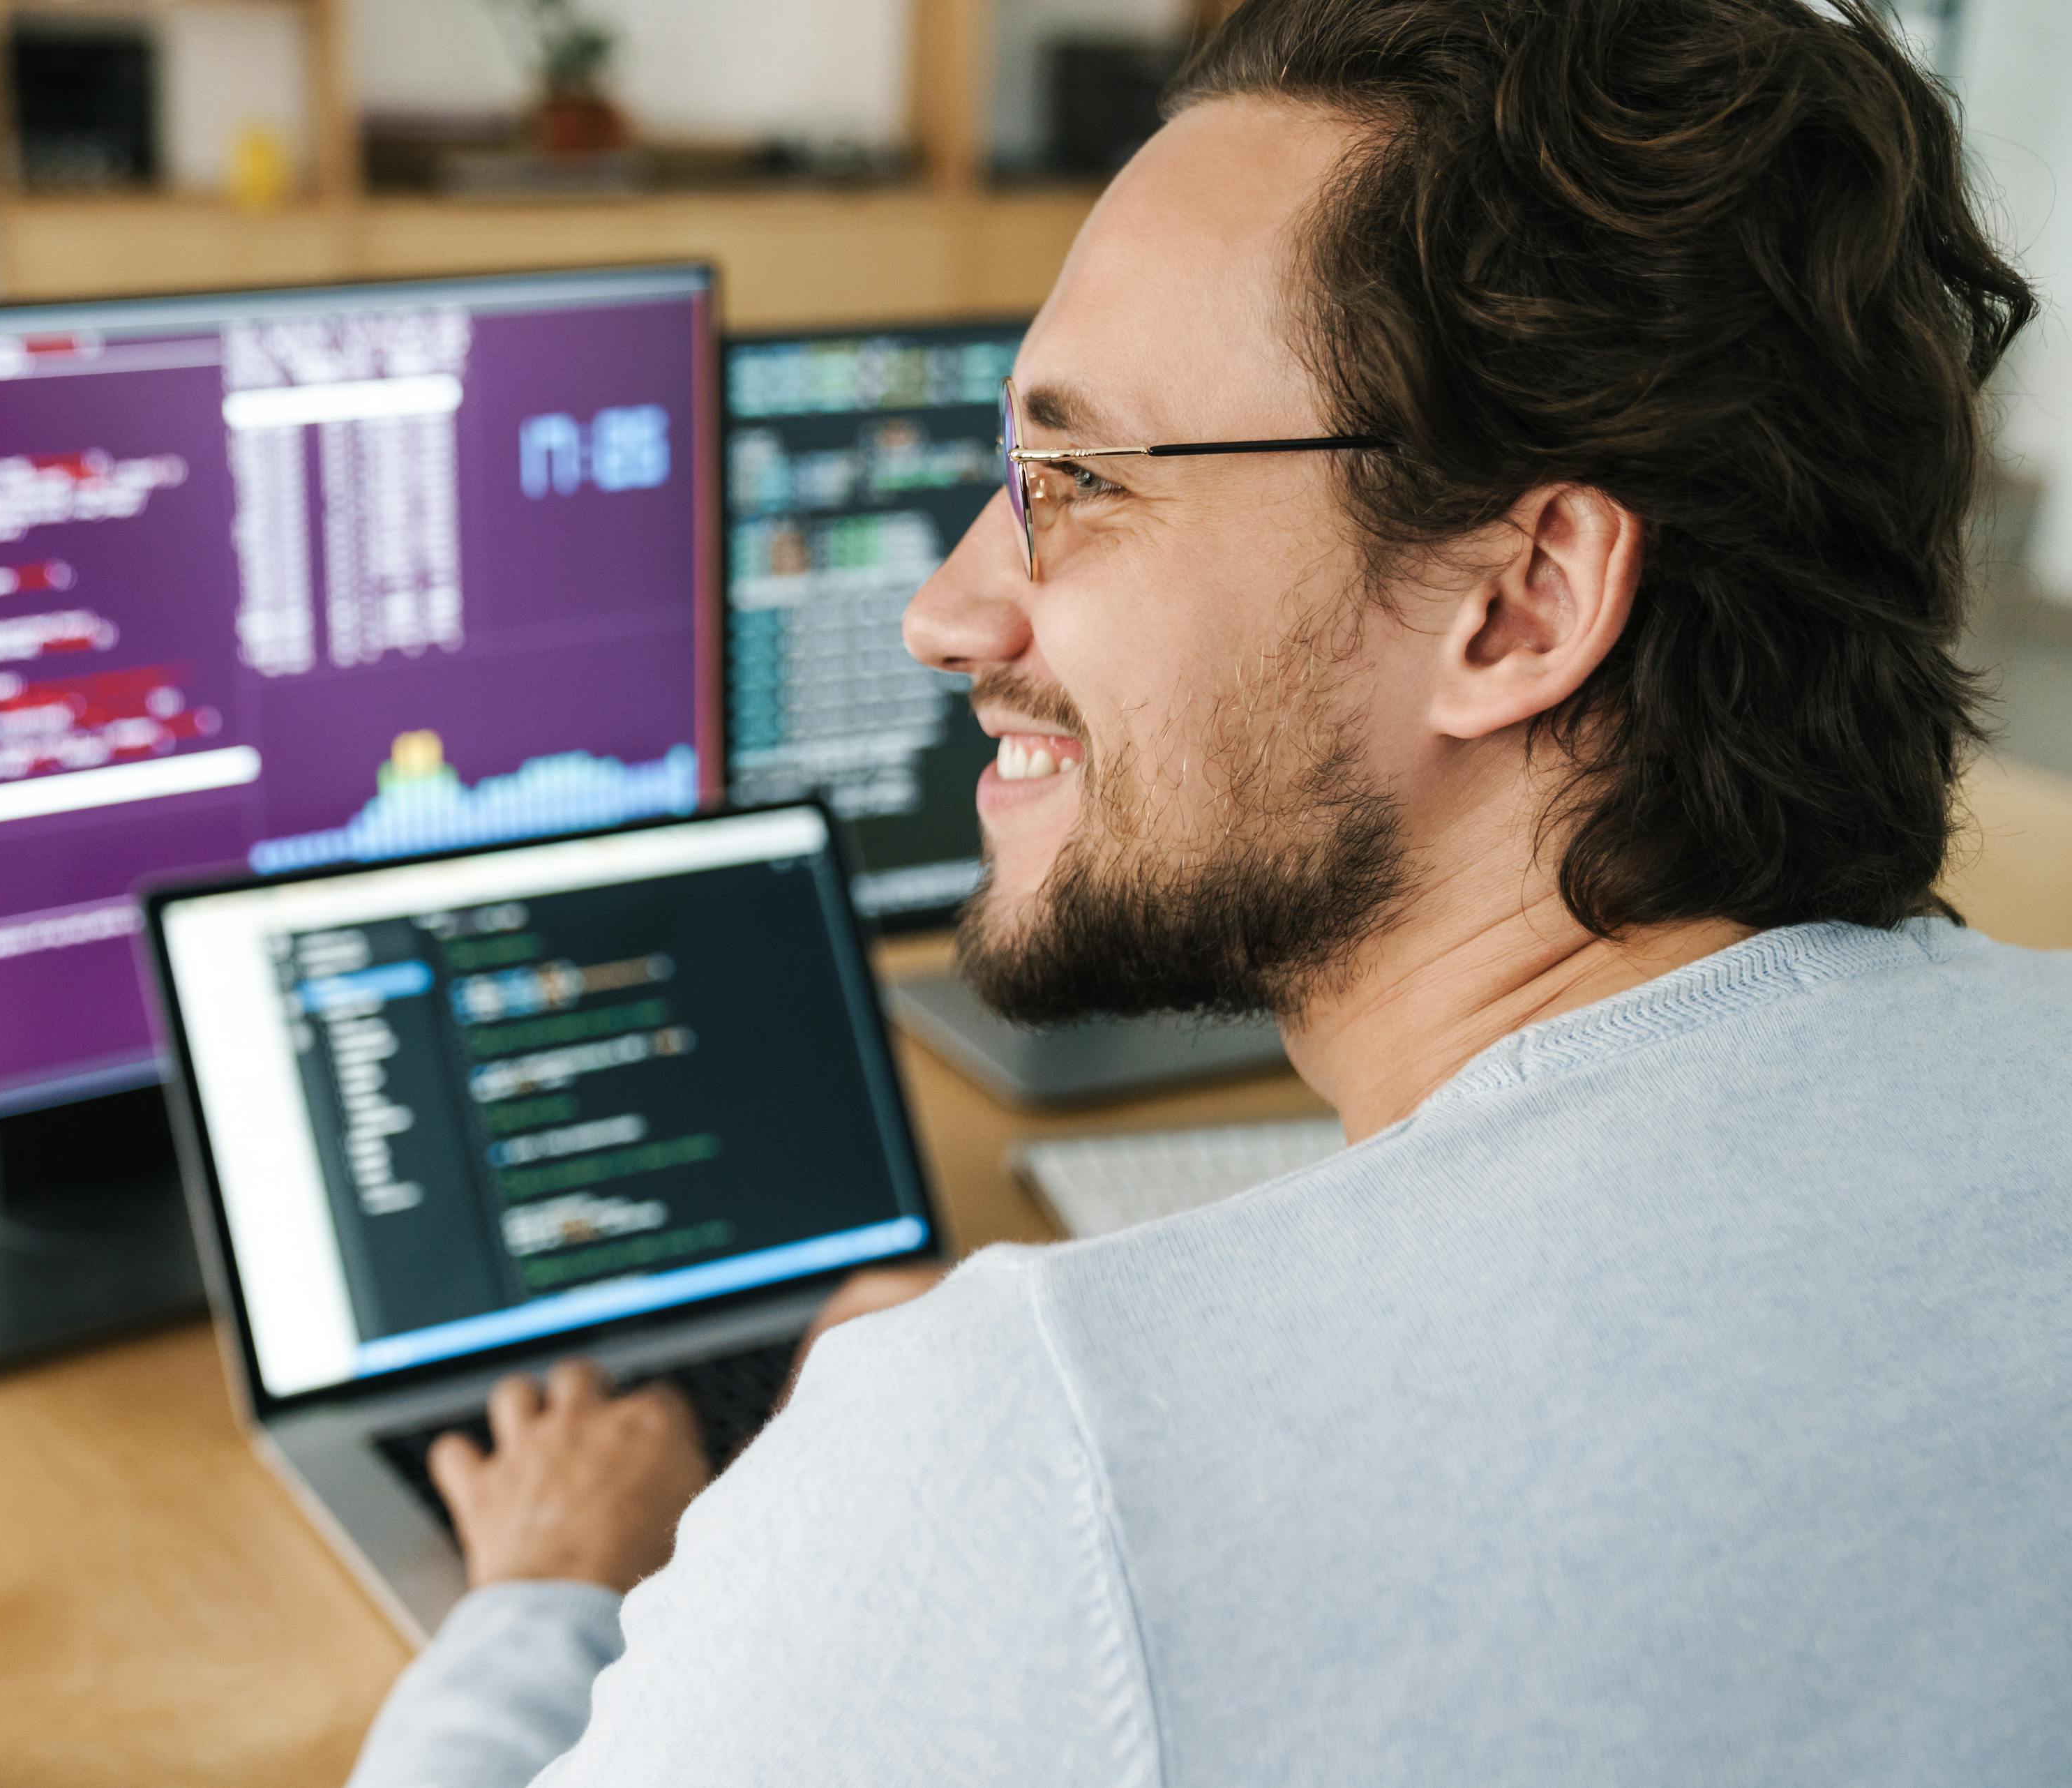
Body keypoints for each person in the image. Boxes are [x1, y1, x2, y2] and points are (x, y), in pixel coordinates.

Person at [348, 0, 2072, 1780]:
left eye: (1075, 480)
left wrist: (546, 1594)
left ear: (1520, 605)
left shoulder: (1032, 1457)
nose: (945, 612)